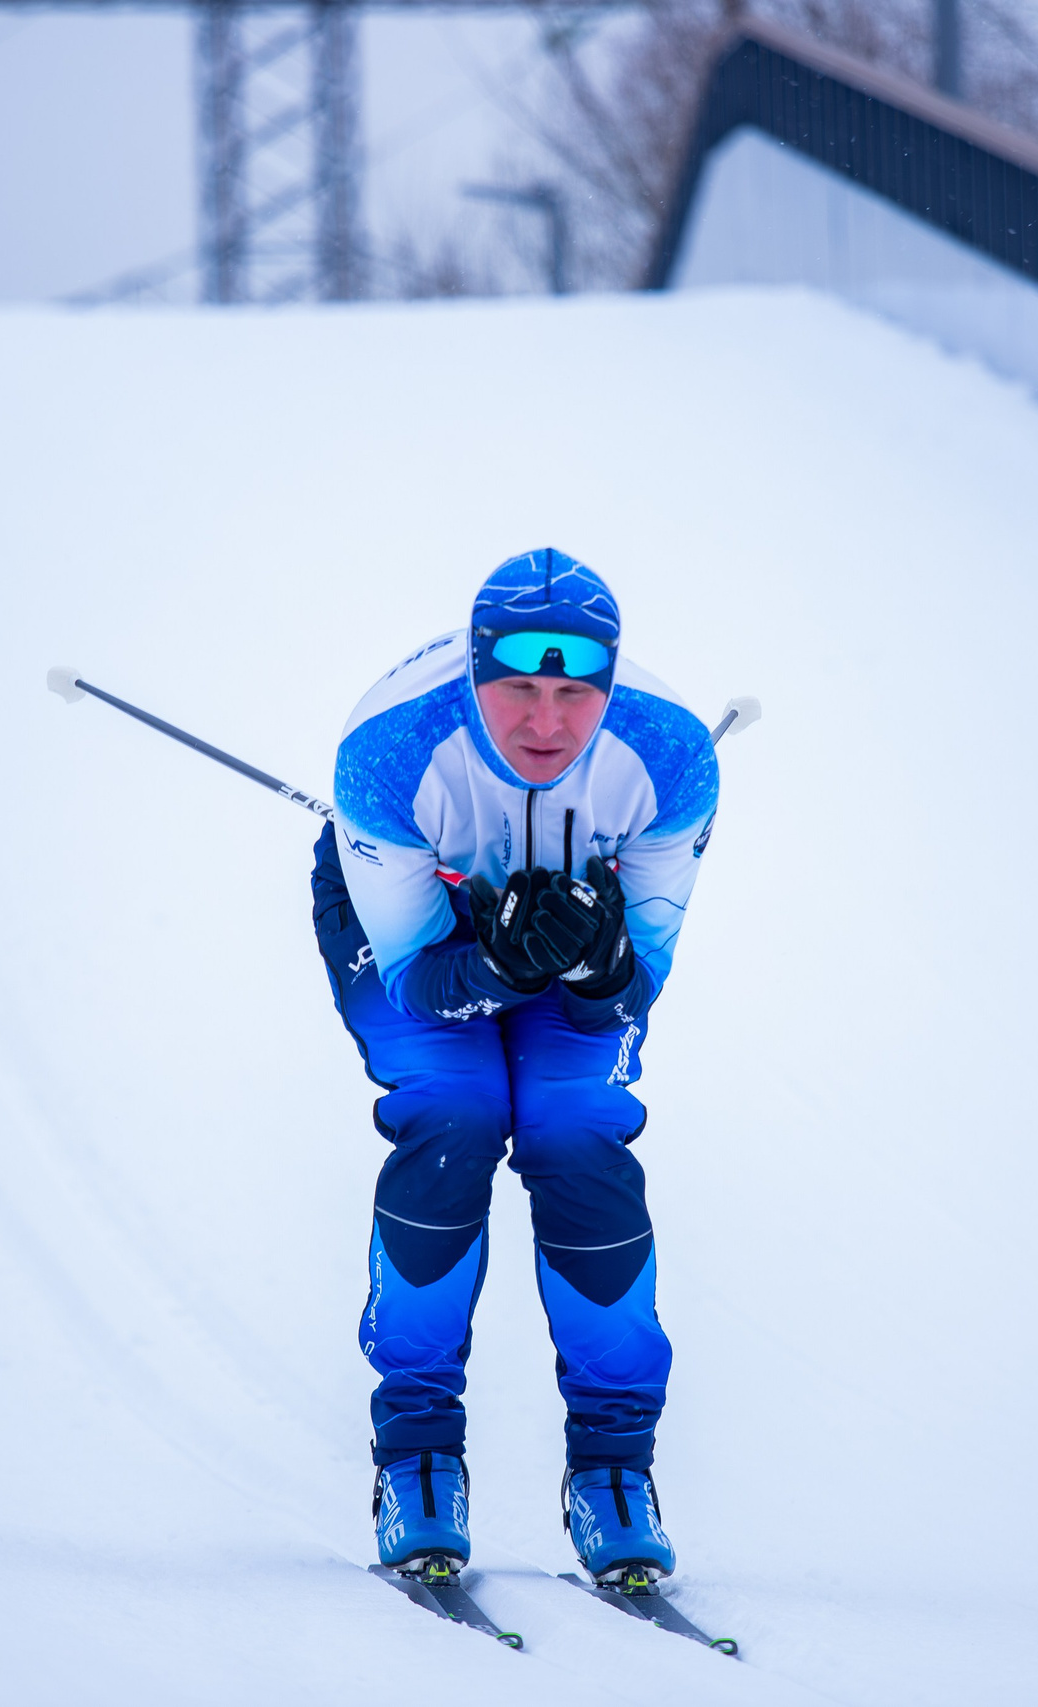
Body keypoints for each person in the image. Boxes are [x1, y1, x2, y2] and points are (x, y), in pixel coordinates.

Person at [312, 548, 721, 1592]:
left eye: (576, 694)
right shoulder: (387, 753)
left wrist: (596, 963)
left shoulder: (668, 758)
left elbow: (638, 987)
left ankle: (615, 1467)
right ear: (471, 676)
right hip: (418, 924)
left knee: (574, 1132)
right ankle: (415, 1453)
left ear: (611, 687)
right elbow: (412, 980)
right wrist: (492, 961)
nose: (546, 723)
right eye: (518, 691)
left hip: (580, 910)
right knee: (452, 1111)